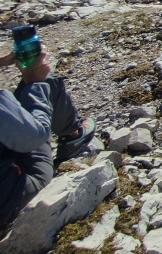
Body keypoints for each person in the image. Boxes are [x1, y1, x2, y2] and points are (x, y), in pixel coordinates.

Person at [0, 44, 96, 229]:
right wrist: (34, 84)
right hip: (8, 202)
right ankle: (72, 136)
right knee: (46, 80)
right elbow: (35, 135)